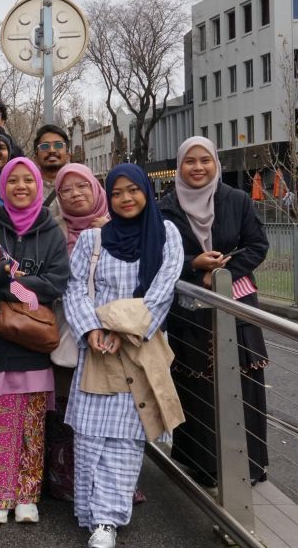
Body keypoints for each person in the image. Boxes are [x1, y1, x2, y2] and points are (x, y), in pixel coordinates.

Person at [64, 163, 185, 548]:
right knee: (88, 436)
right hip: (97, 349)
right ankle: (89, 512)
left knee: (125, 440)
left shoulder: (166, 234)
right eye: (117, 192)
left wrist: (120, 328)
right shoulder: (93, 240)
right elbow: (74, 289)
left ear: (147, 192)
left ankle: (107, 520)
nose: (126, 199)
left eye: (133, 190)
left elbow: (161, 293)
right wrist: (93, 329)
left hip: (136, 349)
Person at [0, 157, 70, 525]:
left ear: (38, 185)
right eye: (13, 181)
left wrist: (10, 286)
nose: (20, 186)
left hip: (32, 345)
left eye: (28, 180)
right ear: (3, 186)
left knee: (31, 425)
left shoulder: (51, 231)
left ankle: (26, 496)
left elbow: (57, 283)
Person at [160, 136, 270, 487]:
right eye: (189, 161)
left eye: (204, 160)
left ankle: (250, 465)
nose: (197, 168)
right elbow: (159, 258)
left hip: (236, 303)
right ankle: (202, 463)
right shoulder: (165, 208)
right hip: (189, 311)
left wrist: (222, 272)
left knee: (244, 380)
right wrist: (194, 265)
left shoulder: (235, 200)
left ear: (215, 164)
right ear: (179, 166)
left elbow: (257, 245)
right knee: (196, 384)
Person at [47, 164, 110, 501]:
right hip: (65, 330)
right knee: (64, 402)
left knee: (106, 406)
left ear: (95, 188)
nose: (74, 194)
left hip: (109, 332)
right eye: (66, 189)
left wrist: (108, 237)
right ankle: (65, 478)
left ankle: (108, 484)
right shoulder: (51, 229)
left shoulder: (120, 226)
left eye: (81, 186)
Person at [33, 125, 71, 206]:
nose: (52, 150)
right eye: (44, 146)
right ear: (35, 158)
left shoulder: (82, 184)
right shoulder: (28, 188)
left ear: (68, 155)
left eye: (58, 145)